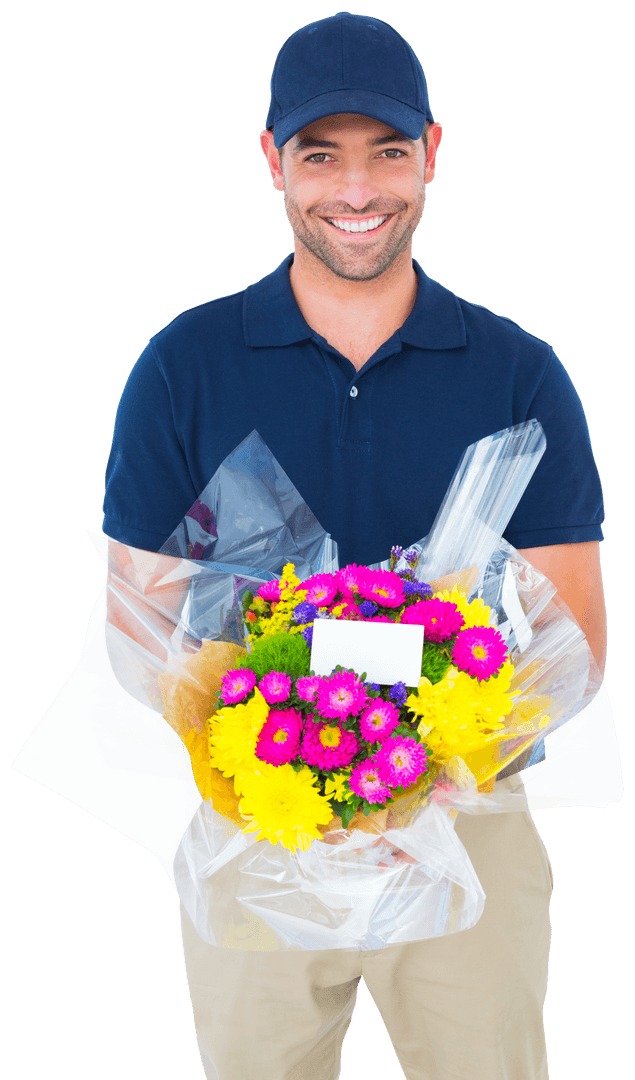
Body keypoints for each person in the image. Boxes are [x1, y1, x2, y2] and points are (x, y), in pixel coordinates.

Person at [102, 12, 606, 1080]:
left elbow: (573, 635)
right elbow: (141, 613)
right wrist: (275, 755)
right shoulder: (184, 363)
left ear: (430, 152)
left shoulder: (515, 371)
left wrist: (421, 772)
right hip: (253, 820)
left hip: (468, 816)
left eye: (384, 151)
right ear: (271, 163)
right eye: (320, 155)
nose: (355, 189)